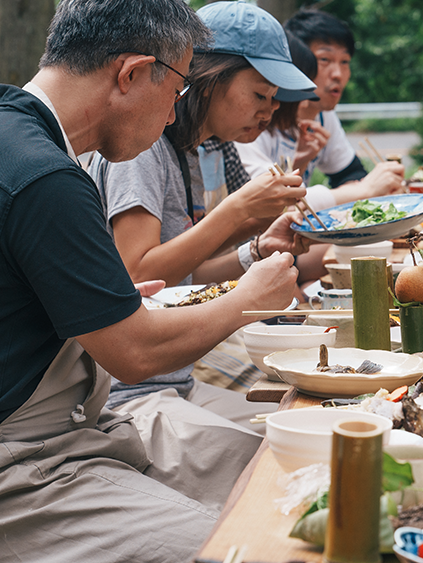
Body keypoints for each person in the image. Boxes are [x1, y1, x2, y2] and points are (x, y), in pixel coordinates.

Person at [0, 1, 299, 561]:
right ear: (131, 73)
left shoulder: (9, 140)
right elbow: (133, 354)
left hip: (85, 426)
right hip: (18, 460)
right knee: (252, 544)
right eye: (177, 88)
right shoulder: (44, 177)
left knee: (290, 477)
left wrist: (112, 300)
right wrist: (250, 299)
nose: (176, 112)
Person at [90, 1, 317, 430]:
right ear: (209, 78)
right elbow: (136, 273)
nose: (269, 111)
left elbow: (180, 282)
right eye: (259, 94)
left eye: (273, 99)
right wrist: (237, 211)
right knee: (283, 444)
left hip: (177, 379)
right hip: (131, 395)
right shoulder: (140, 151)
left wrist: (256, 248)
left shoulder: (188, 152)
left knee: (306, 422)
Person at [236, 8, 404, 198]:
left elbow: (349, 174)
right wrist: (363, 190)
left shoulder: (323, 115)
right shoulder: (251, 122)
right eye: (325, 59)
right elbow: (267, 200)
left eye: (345, 62)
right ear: (298, 60)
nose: (337, 74)